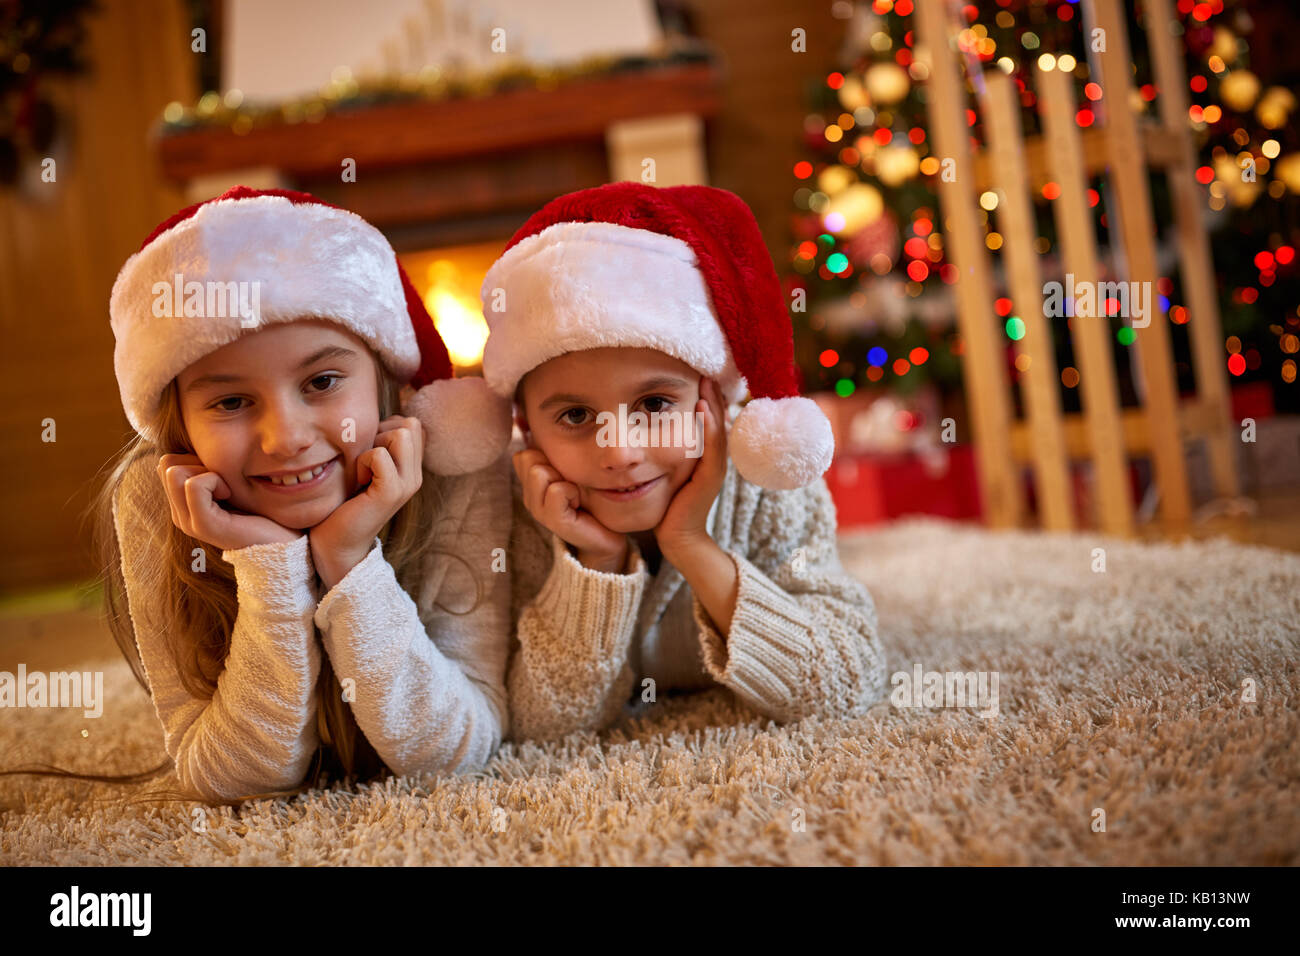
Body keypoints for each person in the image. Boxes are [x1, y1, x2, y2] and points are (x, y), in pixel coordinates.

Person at [68, 185, 513, 805]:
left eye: (323, 381)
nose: (286, 439)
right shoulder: (155, 497)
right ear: (181, 424)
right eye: (230, 402)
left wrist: (352, 563)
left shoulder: (454, 467)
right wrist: (271, 571)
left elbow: (455, 753)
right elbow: (231, 780)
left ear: (383, 384)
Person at [481, 182, 890, 743]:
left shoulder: (765, 483)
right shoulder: (518, 509)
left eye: (654, 405)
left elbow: (848, 682)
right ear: (525, 428)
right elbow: (540, 725)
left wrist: (692, 545)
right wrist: (598, 561)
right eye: (575, 416)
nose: (620, 452)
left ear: (717, 402)